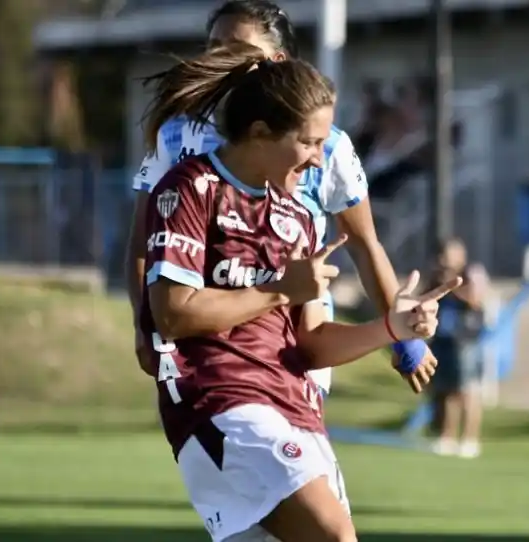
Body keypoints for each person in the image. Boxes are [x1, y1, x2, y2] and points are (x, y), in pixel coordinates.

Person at [139, 43, 458, 542]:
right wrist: (277, 290)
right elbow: (173, 315)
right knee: (335, 536)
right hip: (222, 403)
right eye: (309, 143)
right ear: (262, 134)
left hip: (296, 409)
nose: (317, 160)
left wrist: (392, 328)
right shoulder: (190, 190)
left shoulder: (297, 221)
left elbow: (307, 346)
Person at [126, 0, 440, 397]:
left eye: (236, 47)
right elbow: (142, 244)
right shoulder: (176, 135)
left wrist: (401, 335)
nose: (221, 57)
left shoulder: (326, 147)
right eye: (214, 46)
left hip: (297, 338)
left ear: (275, 60)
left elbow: (363, 244)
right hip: (206, 333)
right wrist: (144, 325)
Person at [429, 239, 489, 458]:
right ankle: (447, 436)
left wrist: (450, 286)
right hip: (443, 338)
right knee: (446, 391)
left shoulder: (472, 272)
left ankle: (470, 439)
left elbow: (476, 300)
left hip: (466, 340)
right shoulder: (438, 275)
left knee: (468, 391)